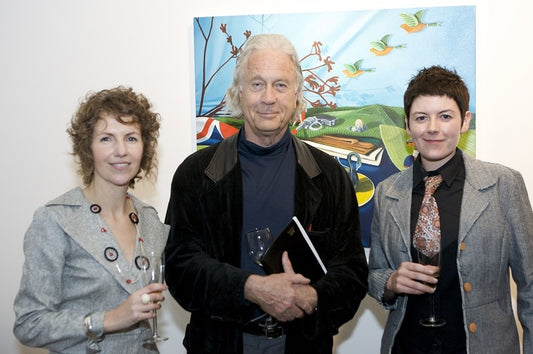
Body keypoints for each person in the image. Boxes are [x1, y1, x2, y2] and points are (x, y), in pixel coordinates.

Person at [164, 33, 369, 353]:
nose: (269, 97)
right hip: (222, 343)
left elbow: (353, 272)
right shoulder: (197, 174)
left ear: (297, 94)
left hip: (302, 344)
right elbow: (180, 268)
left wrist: (312, 297)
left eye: (281, 85)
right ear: (238, 92)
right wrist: (252, 288)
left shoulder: (329, 176)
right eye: (257, 84)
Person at [368, 65, 533, 353]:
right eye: (421, 118)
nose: (433, 128)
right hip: (407, 346)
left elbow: (530, 283)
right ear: (407, 125)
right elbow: (375, 273)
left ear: (465, 121)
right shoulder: (387, 193)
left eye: (445, 116)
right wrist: (391, 281)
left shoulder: (503, 184)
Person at [13, 86, 170, 353]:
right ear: (88, 148)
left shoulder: (150, 220)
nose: (121, 151)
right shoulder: (56, 220)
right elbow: (29, 324)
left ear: (145, 146)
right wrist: (107, 320)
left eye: (131, 138)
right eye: (107, 138)